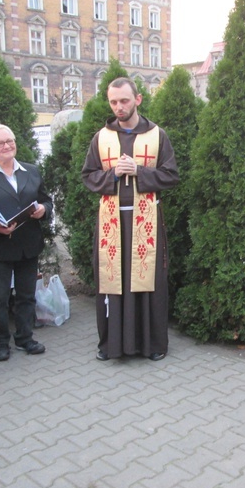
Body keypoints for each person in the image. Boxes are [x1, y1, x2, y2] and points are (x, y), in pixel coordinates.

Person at [82, 77, 179, 361]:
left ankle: (152, 345)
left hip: (145, 221)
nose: (118, 107)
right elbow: (87, 176)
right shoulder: (101, 137)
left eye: (124, 100)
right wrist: (112, 174)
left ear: (137, 99)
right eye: (113, 102)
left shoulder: (157, 135)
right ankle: (112, 345)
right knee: (113, 283)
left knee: (148, 281)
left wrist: (139, 171)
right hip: (111, 224)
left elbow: (171, 176)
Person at [0, 124, 53, 361]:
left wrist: (43, 210)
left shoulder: (31, 170)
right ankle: (0, 342)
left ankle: (25, 338)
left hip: (28, 243)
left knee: (26, 295)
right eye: (0, 143)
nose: (6, 146)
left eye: (10, 141)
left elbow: (46, 201)